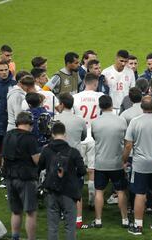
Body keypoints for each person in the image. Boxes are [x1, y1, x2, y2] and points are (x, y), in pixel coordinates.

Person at [123, 96, 152, 235]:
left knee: (140, 194)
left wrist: (124, 159)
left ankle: (138, 226)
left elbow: (128, 145)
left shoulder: (135, 122)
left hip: (140, 164)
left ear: (141, 107)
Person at [39, 122, 86, 240]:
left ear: (53, 134)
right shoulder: (73, 152)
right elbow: (82, 171)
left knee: (52, 226)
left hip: (52, 191)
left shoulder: (46, 150)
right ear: (65, 134)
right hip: (69, 192)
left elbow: (39, 167)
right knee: (70, 226)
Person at [2, 111, 41, 240]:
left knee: (16, 211)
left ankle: (15, 237)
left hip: (9, 177)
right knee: (30, 212)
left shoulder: (8, 135)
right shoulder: (30, 138)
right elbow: (37, 160)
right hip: (26, 179)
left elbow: (3, 158)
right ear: (30, 123)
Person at [91, 95, 129, 228]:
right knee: (120, 191)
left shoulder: (95, 122)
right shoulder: (121, 121)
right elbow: (126, 140)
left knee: (99, 191)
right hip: (117, 162)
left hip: (101, 162)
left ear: (100, 106)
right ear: (112, 105)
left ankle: (98, 220)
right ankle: (125, 219)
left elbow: (95, 138)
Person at [55, 92, 87, 229]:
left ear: (62, 104)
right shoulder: (79, 120)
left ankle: (62, 213)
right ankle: (78, 219)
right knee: (77, 189)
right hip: (75, 158)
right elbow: (84, 137)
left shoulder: (56, 119)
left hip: (59, 158)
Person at [73, 73, 103, 209]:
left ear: (84, 82)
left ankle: (76, 200)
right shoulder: (101, 97)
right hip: (95, 136)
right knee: (92, 170)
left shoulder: (75, 98)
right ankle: (92, 200)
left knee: (77, 170)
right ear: (96, 83)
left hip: (80, 136)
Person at [102, 50, 136, 114]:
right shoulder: (106, 72)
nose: (123, 63)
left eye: (126, 61)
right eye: (121, 61)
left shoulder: (130, 72)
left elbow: (132, 90)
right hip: (110, 108)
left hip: (125, 107)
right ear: (116, 58)